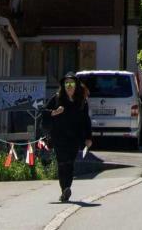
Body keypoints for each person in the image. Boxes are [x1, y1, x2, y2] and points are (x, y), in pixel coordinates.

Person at [42, 72, 92, 203]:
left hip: (74, 138)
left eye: (72, 83)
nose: (69, 86)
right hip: (59, 137)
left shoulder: (81, 102)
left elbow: (86, 121)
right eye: (66, 83)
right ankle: (64, 188)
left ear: (76, 85)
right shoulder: (57, 99)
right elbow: (44, 114)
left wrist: (88, 137)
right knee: (62, 163)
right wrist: (54, 112)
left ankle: (67, 187)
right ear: (63, 85)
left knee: (70, 163)